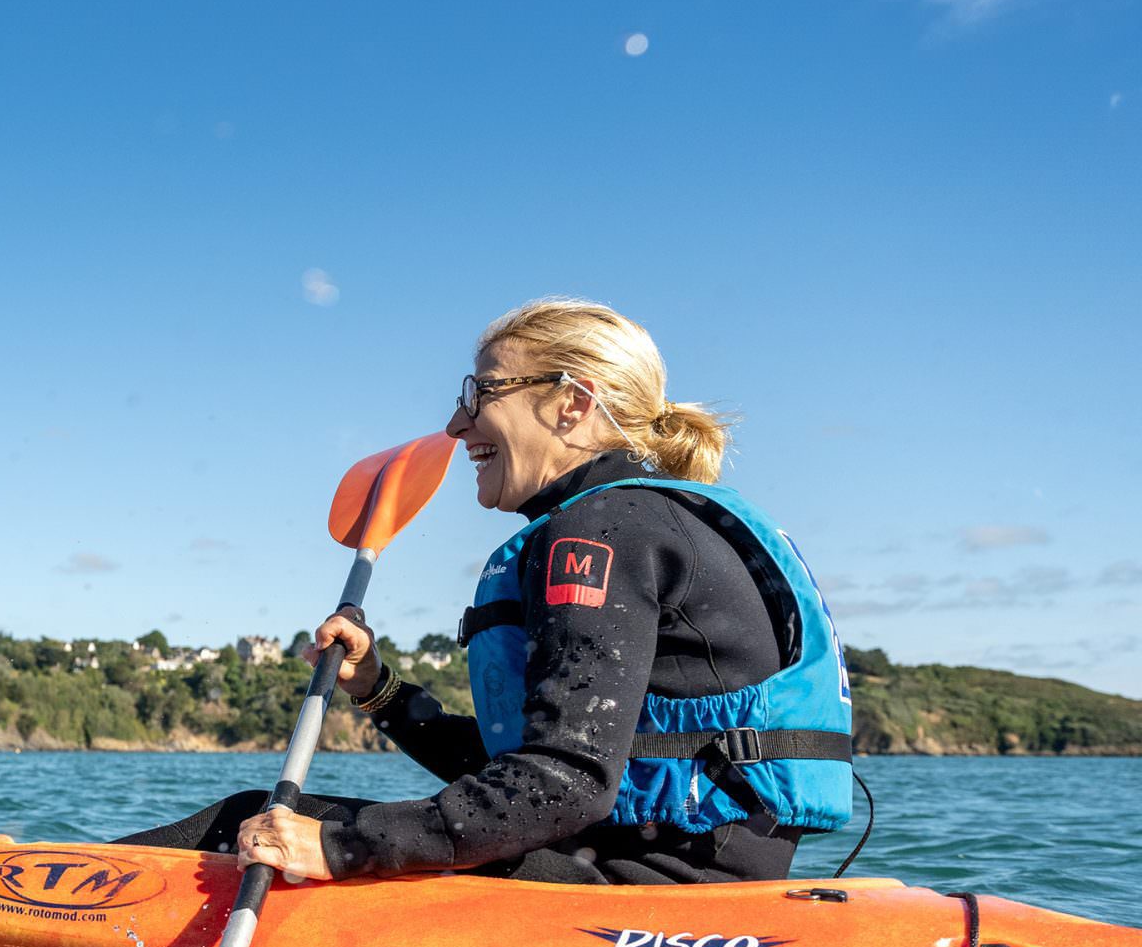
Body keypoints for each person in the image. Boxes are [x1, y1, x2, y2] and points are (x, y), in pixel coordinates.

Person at [119, 297, 853, 885]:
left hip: (642, 895)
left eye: (483, 392)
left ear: (572, 402)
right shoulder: (649, 516)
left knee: (248, 819)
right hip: (689, 877)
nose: (456, 422)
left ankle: (24, 907)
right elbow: (528, 776)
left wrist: (342, 846)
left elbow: (565, 783)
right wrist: (381, 691)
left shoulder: (600, 529)